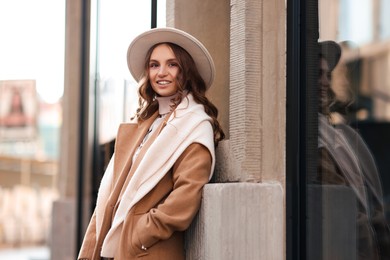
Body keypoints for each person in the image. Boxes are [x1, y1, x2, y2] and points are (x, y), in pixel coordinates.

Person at [78, 27, 225, 260]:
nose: (162, 72)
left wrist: (139, 234)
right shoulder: (146, 124)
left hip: (147, 251)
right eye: (154, 65)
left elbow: (185, 198)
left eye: (172, 64)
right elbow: (115, 190)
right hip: (114, 247)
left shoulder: (194, 126)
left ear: (186, 71)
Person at [312, 40, 390, 259]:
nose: (325, 82)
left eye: (328, 75)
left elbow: (371, 206)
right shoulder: (308, 137)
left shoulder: (342, 135)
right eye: (318, 74)